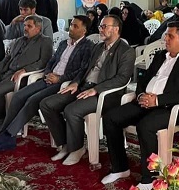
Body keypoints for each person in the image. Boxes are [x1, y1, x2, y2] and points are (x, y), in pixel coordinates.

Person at [101, 21, 179, 190]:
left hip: (169, 107)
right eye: (166, 35)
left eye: (170, 36)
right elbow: (143, 79)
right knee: (111, 117)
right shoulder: (160, 55)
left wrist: (158, 100)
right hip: (145, 101)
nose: (166, 39)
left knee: (145, 126)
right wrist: (141, 95)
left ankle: (150, 177)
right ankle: (120, 168)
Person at [0, 15, 95, 151]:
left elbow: (82, 71)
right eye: (71, 24)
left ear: (84, 30)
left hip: (62, 83)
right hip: (48, 78)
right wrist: (48, 73)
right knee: (18, 96)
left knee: (33, 100)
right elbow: (51, 61)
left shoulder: (88, 47)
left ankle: (8, 135)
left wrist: (59, 78)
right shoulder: (63, 43)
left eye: (75, 26)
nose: (71, 28)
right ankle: (6, 132)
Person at [39, 15, 135, 165]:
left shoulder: (126, 51)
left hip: (105, 94)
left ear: (116, 29)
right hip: (84, 87)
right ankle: (65, 144)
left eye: (104, 26)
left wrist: (96, 89)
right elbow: (85, 69)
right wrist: (75, 82)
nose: (100, 29)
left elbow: (122, 78)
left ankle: (77, 148)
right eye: (100, 26)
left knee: (72, 110)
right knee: (47, 104)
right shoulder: (98, 47)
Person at [0, 15, 53, 132]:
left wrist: (25, 70)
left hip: (21, 77)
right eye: (24, 25)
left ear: (38, 28)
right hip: (6, 72)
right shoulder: (20, 40)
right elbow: (8, 58)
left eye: (29, 26)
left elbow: (44, 62)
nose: (25, 28)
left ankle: (0, 120)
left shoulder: (45, 41)